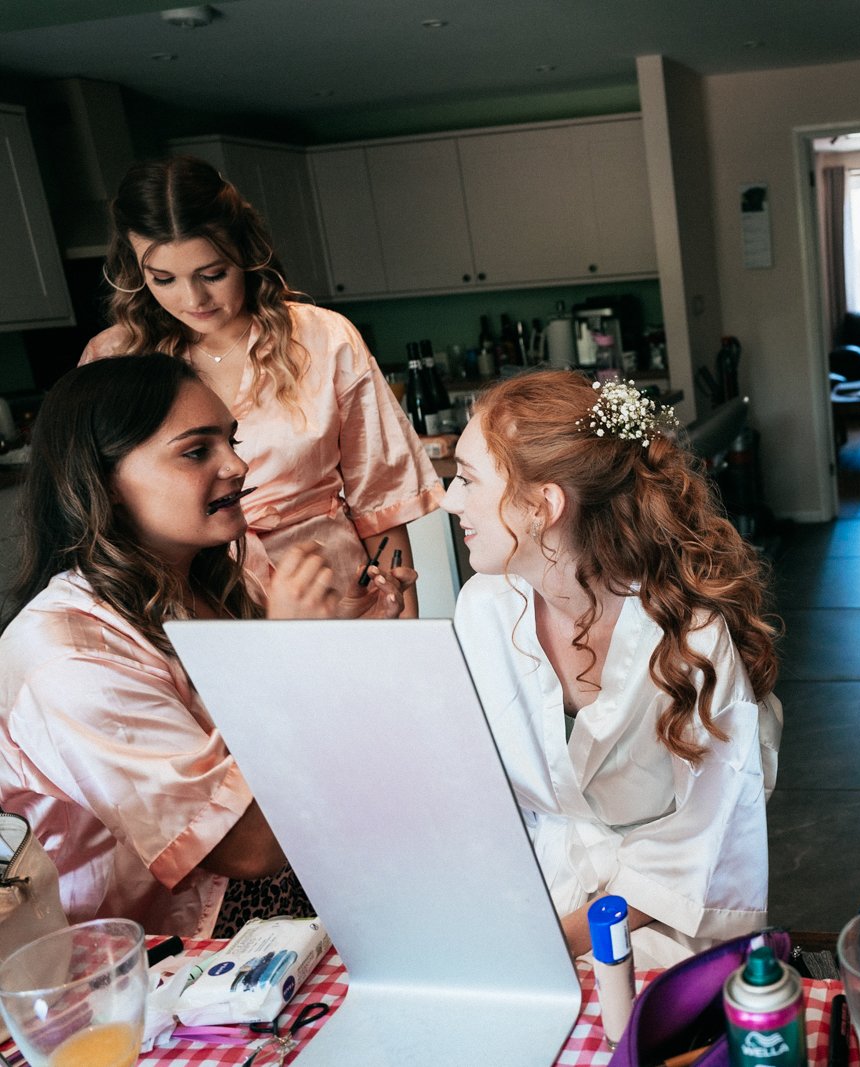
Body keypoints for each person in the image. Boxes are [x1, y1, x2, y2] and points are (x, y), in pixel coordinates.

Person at [0, 356, 411, 939]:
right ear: (106, 484)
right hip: (153, 954)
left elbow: (299, 746)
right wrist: (291, 655)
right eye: (197, 451)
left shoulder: (224, 574)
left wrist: (336, 636)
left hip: (288, 880)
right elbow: (248, 848)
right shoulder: (66, 657)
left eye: (231, 441)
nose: (238, 464)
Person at [444, 372, 782, 966]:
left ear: (544, 505)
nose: (450, 499)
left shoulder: (689, 632)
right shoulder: (483, 607)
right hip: (532, 891)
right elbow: (471, 788)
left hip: (662, 909)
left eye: (468, 479)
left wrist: (560, 941)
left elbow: (710, 831)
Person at [82, 156, 441, 613]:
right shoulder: (112, 360)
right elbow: (94, 509)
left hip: (334, 595)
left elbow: (382, 502)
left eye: (213, 274)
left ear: (246, 253)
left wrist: (405, 632)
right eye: (164, 279)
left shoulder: (324, 338)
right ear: (134, 269)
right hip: (189, 604)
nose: (193, 299)